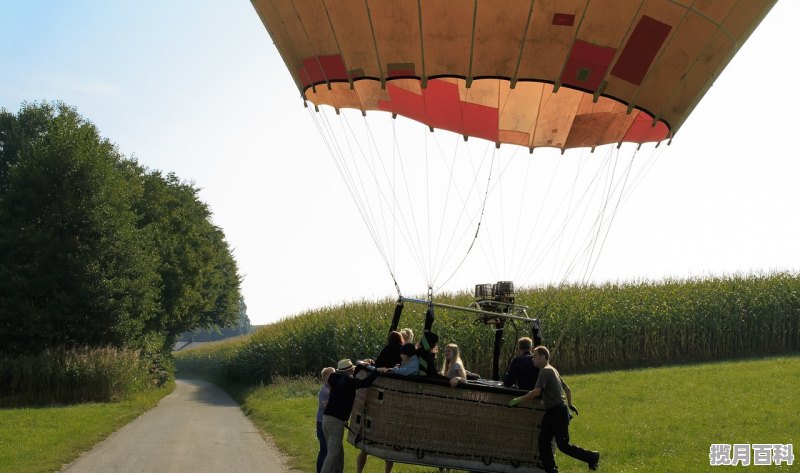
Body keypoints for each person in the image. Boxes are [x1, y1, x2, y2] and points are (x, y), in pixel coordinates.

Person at [508, 346, 600, 472]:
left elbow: (536, 392)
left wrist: (519, 399)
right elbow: (567, 389)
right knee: (543, 442)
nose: (532, 359)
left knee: (563, 445)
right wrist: (570, 404)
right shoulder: (553, 370)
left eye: (535, 356)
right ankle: (551, 470)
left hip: (557, 413)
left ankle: (592, 457)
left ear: (543, 357)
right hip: (553, 412)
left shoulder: (545, 371)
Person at [321, 358, 383, 473]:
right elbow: (365, 383)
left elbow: (351, 375)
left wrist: (360, 366)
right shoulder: (347, 381)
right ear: (348, 371)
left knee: (338, 451)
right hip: (336, 421)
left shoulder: (333, 378)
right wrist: (377, 371)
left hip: (326, 419)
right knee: (333, 453)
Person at [356, 333, 404, 473]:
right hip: (396, 394)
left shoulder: (387, 349)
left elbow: (378, 365)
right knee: (390, 441)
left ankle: (359, 471)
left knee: (367, 443)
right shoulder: (403, 351)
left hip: (381, 392)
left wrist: (372, 364)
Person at [316, 367, 335, 473]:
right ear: (325, 376)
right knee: (324, 449)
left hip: (326, 422)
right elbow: (326, 404)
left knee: (328, 450)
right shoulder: (325, 390)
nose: (334, 376)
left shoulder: (331, 388)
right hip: (321, 422)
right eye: (331, 374)